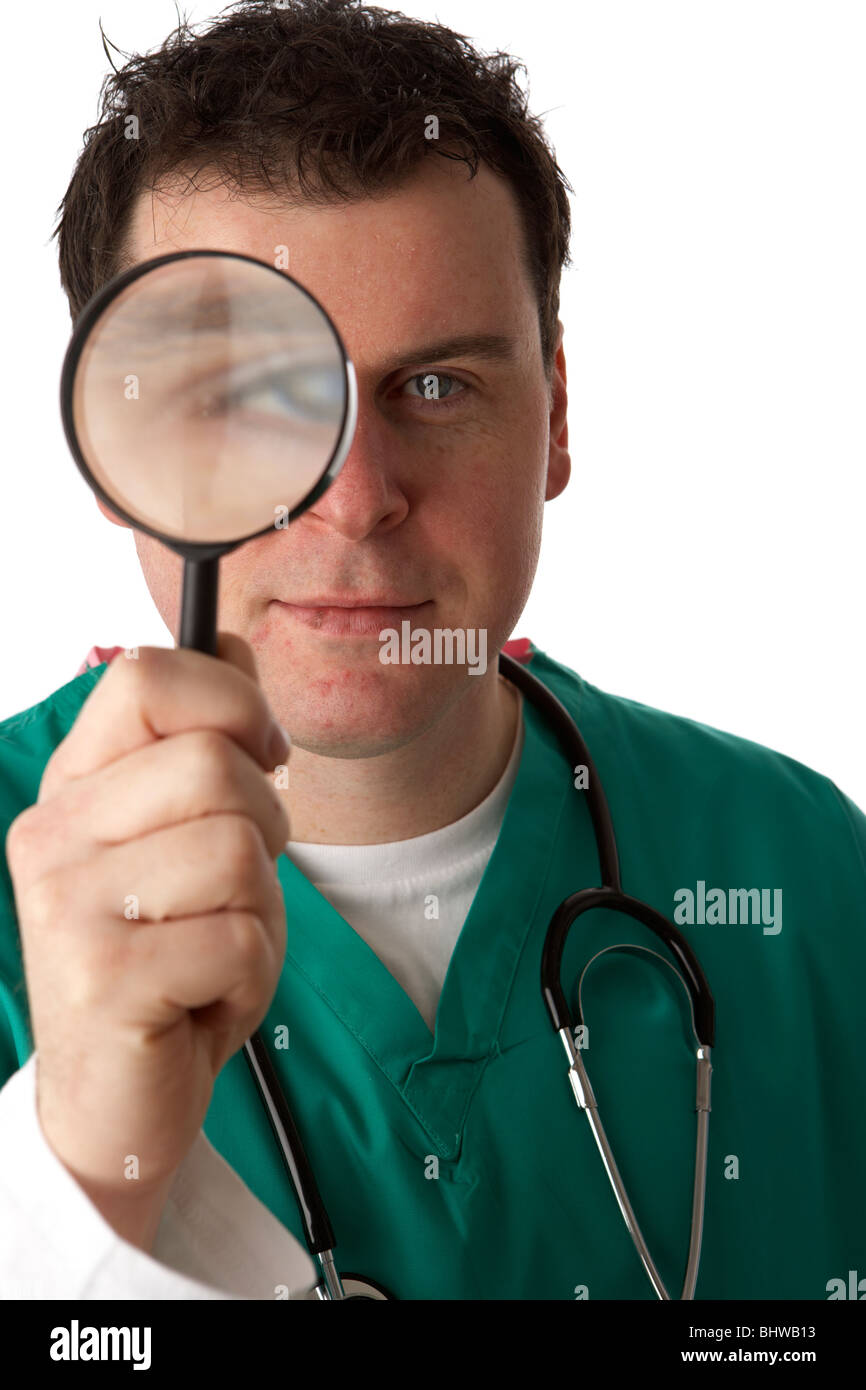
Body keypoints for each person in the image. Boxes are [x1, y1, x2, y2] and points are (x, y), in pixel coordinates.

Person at [1, 0, 864, 1302]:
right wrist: (86, 1183)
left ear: (556, 417)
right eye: (249, 396)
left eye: (437, 386)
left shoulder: (801, 864)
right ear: (116, 454)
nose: (354, 500)